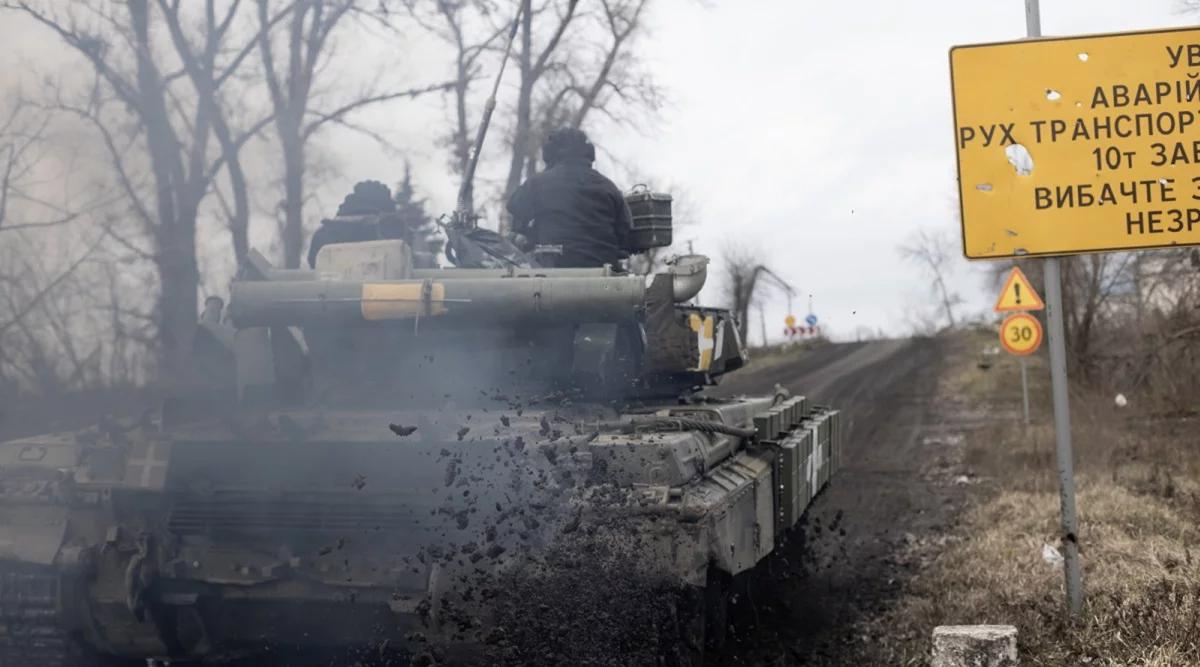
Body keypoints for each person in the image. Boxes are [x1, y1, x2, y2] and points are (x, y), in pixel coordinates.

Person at [506, 128, 632, 269]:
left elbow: (514, 207)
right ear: (588, 154)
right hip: (603, 272)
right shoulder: (609, 187)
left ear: (549, 154)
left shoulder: (538, 183)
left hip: (553, 272)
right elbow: (625, 234)